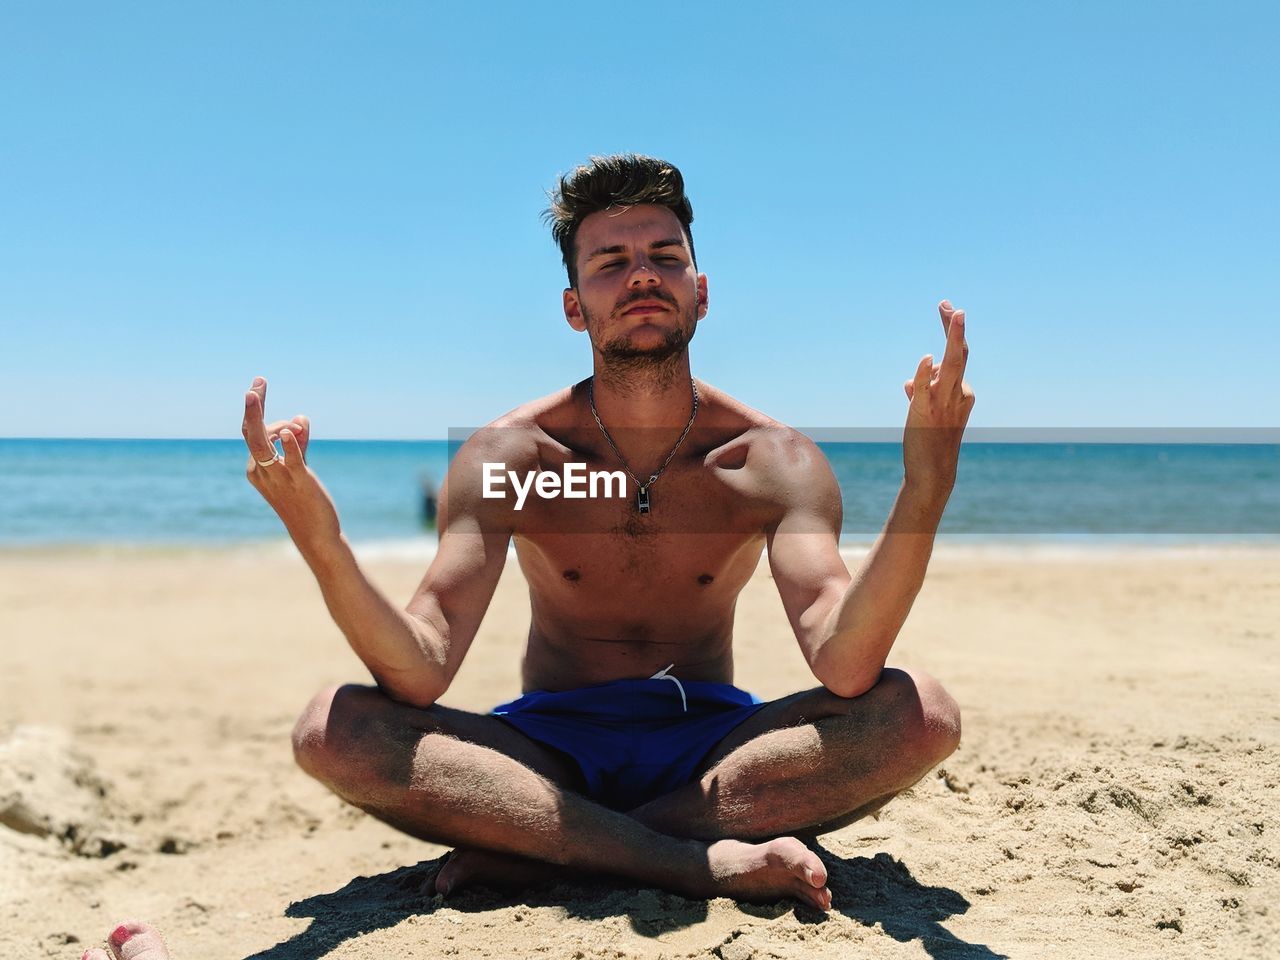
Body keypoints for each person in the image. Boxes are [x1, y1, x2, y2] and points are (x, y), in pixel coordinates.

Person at [241, 155, 974, 911]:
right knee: (332, 730)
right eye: (611, 262)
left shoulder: (773, 462)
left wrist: (927, 484)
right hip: (547, 753)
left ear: (702, 291)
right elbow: (422, 668)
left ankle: (552, 847)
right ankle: (683, 860)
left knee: (924, 714)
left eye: (665, 257)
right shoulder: (514, 456)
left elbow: (846, 664)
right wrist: (321, 542)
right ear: (572, 306)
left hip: (713, 750)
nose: (643, 276)